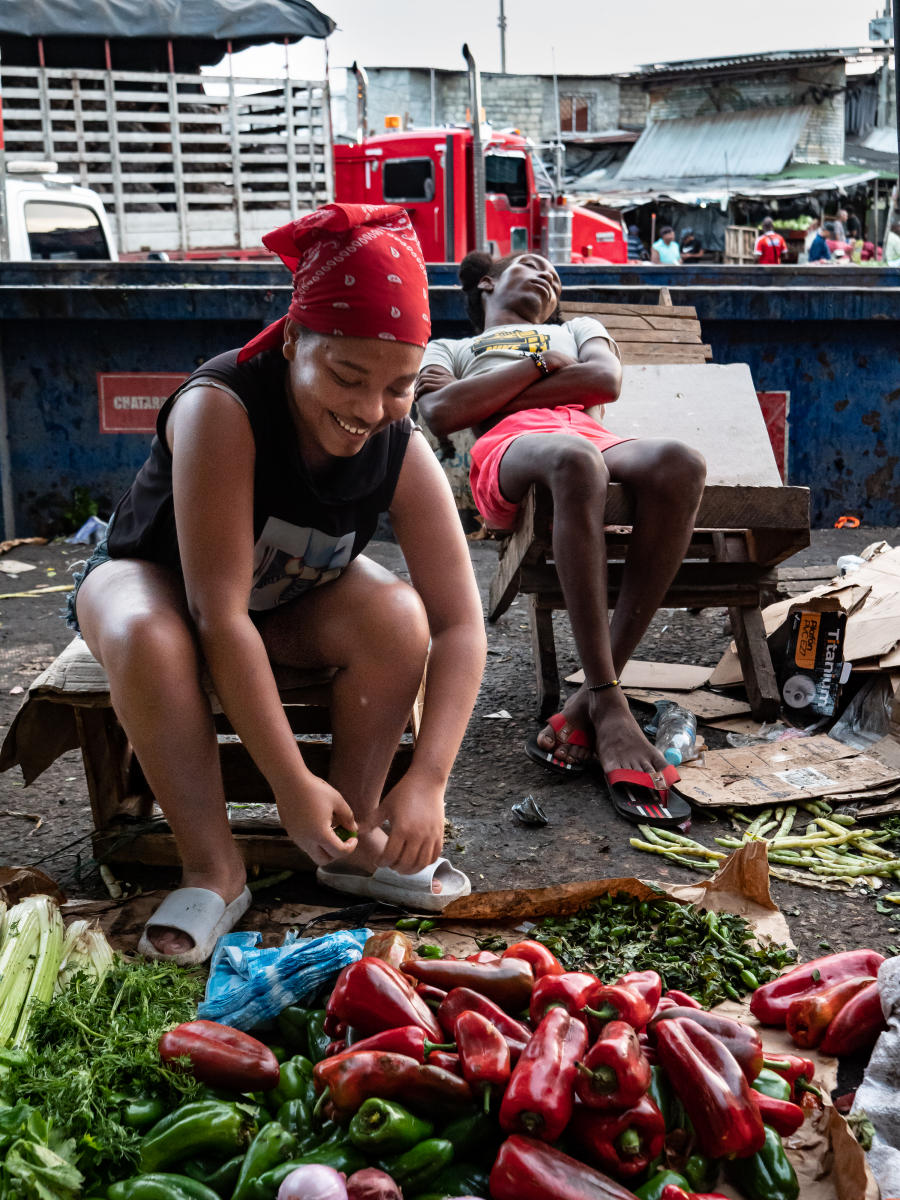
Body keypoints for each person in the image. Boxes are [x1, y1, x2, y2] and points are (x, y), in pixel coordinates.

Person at [69, 203, 487, 963]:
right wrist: (288, 779)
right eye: (347, 376)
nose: (368, 411)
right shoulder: (222, 407)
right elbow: (217, 613)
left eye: (397, 388)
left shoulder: (402, 444)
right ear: (295, 338)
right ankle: (214, 867)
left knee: (399, 616)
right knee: (149, 636)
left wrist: (428, 778)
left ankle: (347, 835)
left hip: (278, 599)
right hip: (159, 581)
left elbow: (461, 624)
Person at [415, 251, 706, 829]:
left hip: (596, 437)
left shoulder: (575, 329)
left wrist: (493, 390)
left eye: (556, 273)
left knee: (681, 463)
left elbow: (604, 381)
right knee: (575, 461)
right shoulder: (450, 348)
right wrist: (540, 369)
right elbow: (439, 410)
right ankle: (609, 698)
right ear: (487, 282)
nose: (548, 273)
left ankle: (591, 701)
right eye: (531, 263)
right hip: (508, 453)